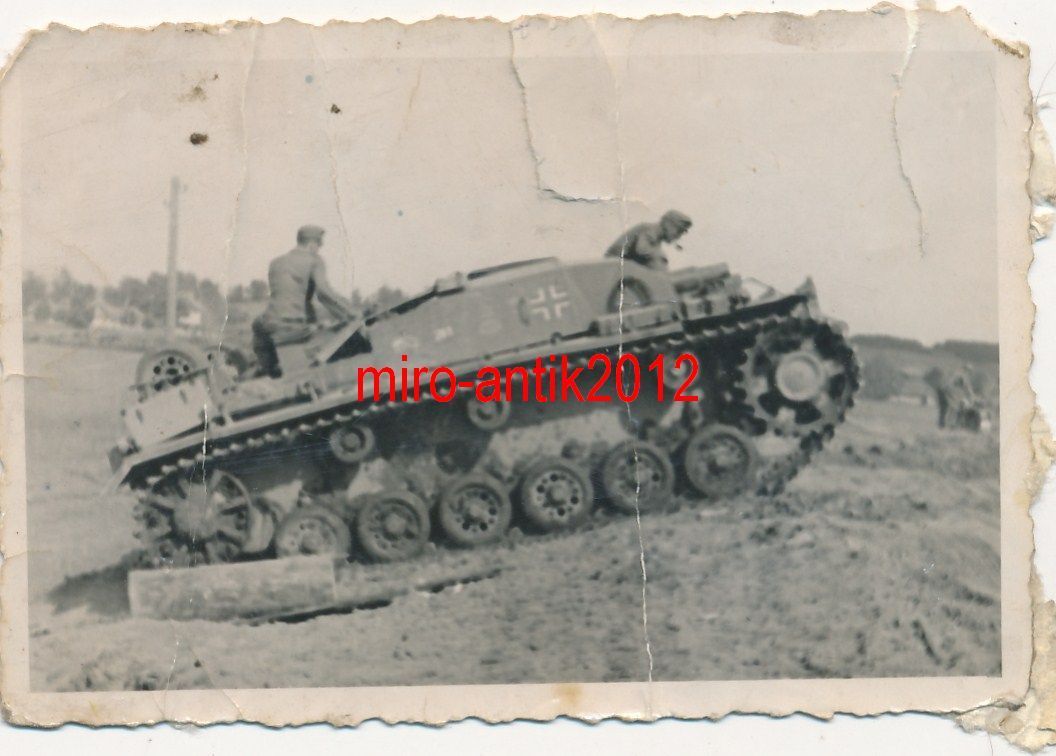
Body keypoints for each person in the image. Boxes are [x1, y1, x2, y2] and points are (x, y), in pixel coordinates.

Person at [251, 225, 357, 378]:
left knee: (259, 328)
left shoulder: (276, 262)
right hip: (292, 324)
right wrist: (351, 313)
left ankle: (269, 371)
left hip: (269, 322)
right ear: (312, 244)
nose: (320, 247)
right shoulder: (313, 260)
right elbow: (324, 293)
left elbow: (289, 296)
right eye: (320, 244)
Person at [604, 210, 693, 270]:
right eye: (679, 230)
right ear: (668, 224)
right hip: (614, 269)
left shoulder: (655, 237)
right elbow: (642, 251)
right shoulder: (650, 231)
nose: (678, 236)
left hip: (620, 270)